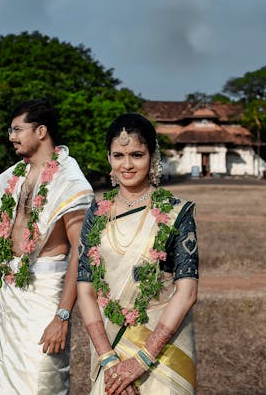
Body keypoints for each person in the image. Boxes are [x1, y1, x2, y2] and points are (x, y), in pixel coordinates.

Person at [77, 113, 199, 394]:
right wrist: (109, 361)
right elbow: (85, 289)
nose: (127, 165)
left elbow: (187, 293)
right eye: (118, 155)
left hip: (164, 357)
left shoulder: (176, 213)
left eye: (136, 154)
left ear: (152, 156)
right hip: (109, 350)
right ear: (108, 158)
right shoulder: (95, 214)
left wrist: (142, 360)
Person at [0, 98, 94, 394]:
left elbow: (81, 253)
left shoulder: (69, 180)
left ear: (41, 131)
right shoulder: (16, 178)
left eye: (17, 129)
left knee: (42, 382)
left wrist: (63, 316)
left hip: (45, 299)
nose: (11, 137)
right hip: (10, 299)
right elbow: (4, 243)